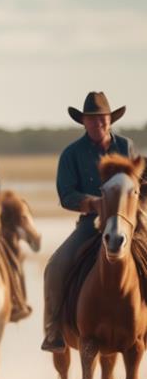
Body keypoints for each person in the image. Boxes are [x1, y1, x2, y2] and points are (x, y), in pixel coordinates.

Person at [41, 91, 139, 352]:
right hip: (91, 224)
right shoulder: (71, 154)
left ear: (110, 119)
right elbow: (66, 195)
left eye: (103, 118)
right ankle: (53, 331)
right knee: (55, 266)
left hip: (127, 222)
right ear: (83, 121)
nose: (99, 123)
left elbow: (140, 182)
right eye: (93, 119)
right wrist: (94, 203)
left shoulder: (126, 147)